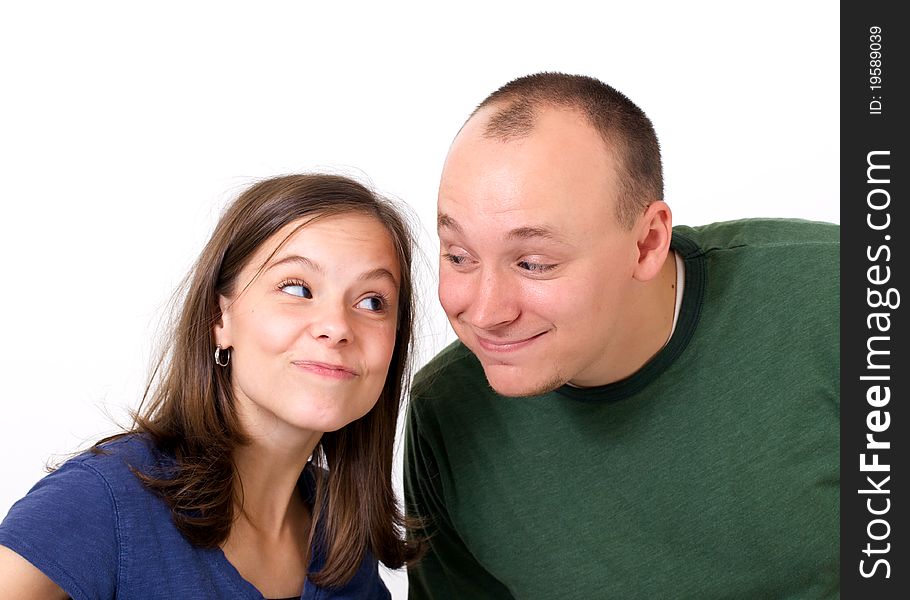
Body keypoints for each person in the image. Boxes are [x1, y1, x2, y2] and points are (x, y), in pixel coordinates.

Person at [404, 73, 839, 598]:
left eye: (534, 263)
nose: (486, 310)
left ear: (647, 242)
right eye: (459, 256)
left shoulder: (844, 295)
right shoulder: (446, 411)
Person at [0, 174, 422, 599]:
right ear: (221, 319)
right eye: (297, 288)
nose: (336, 327)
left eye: (373, 301)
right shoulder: (102, 501)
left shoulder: (343, 538)